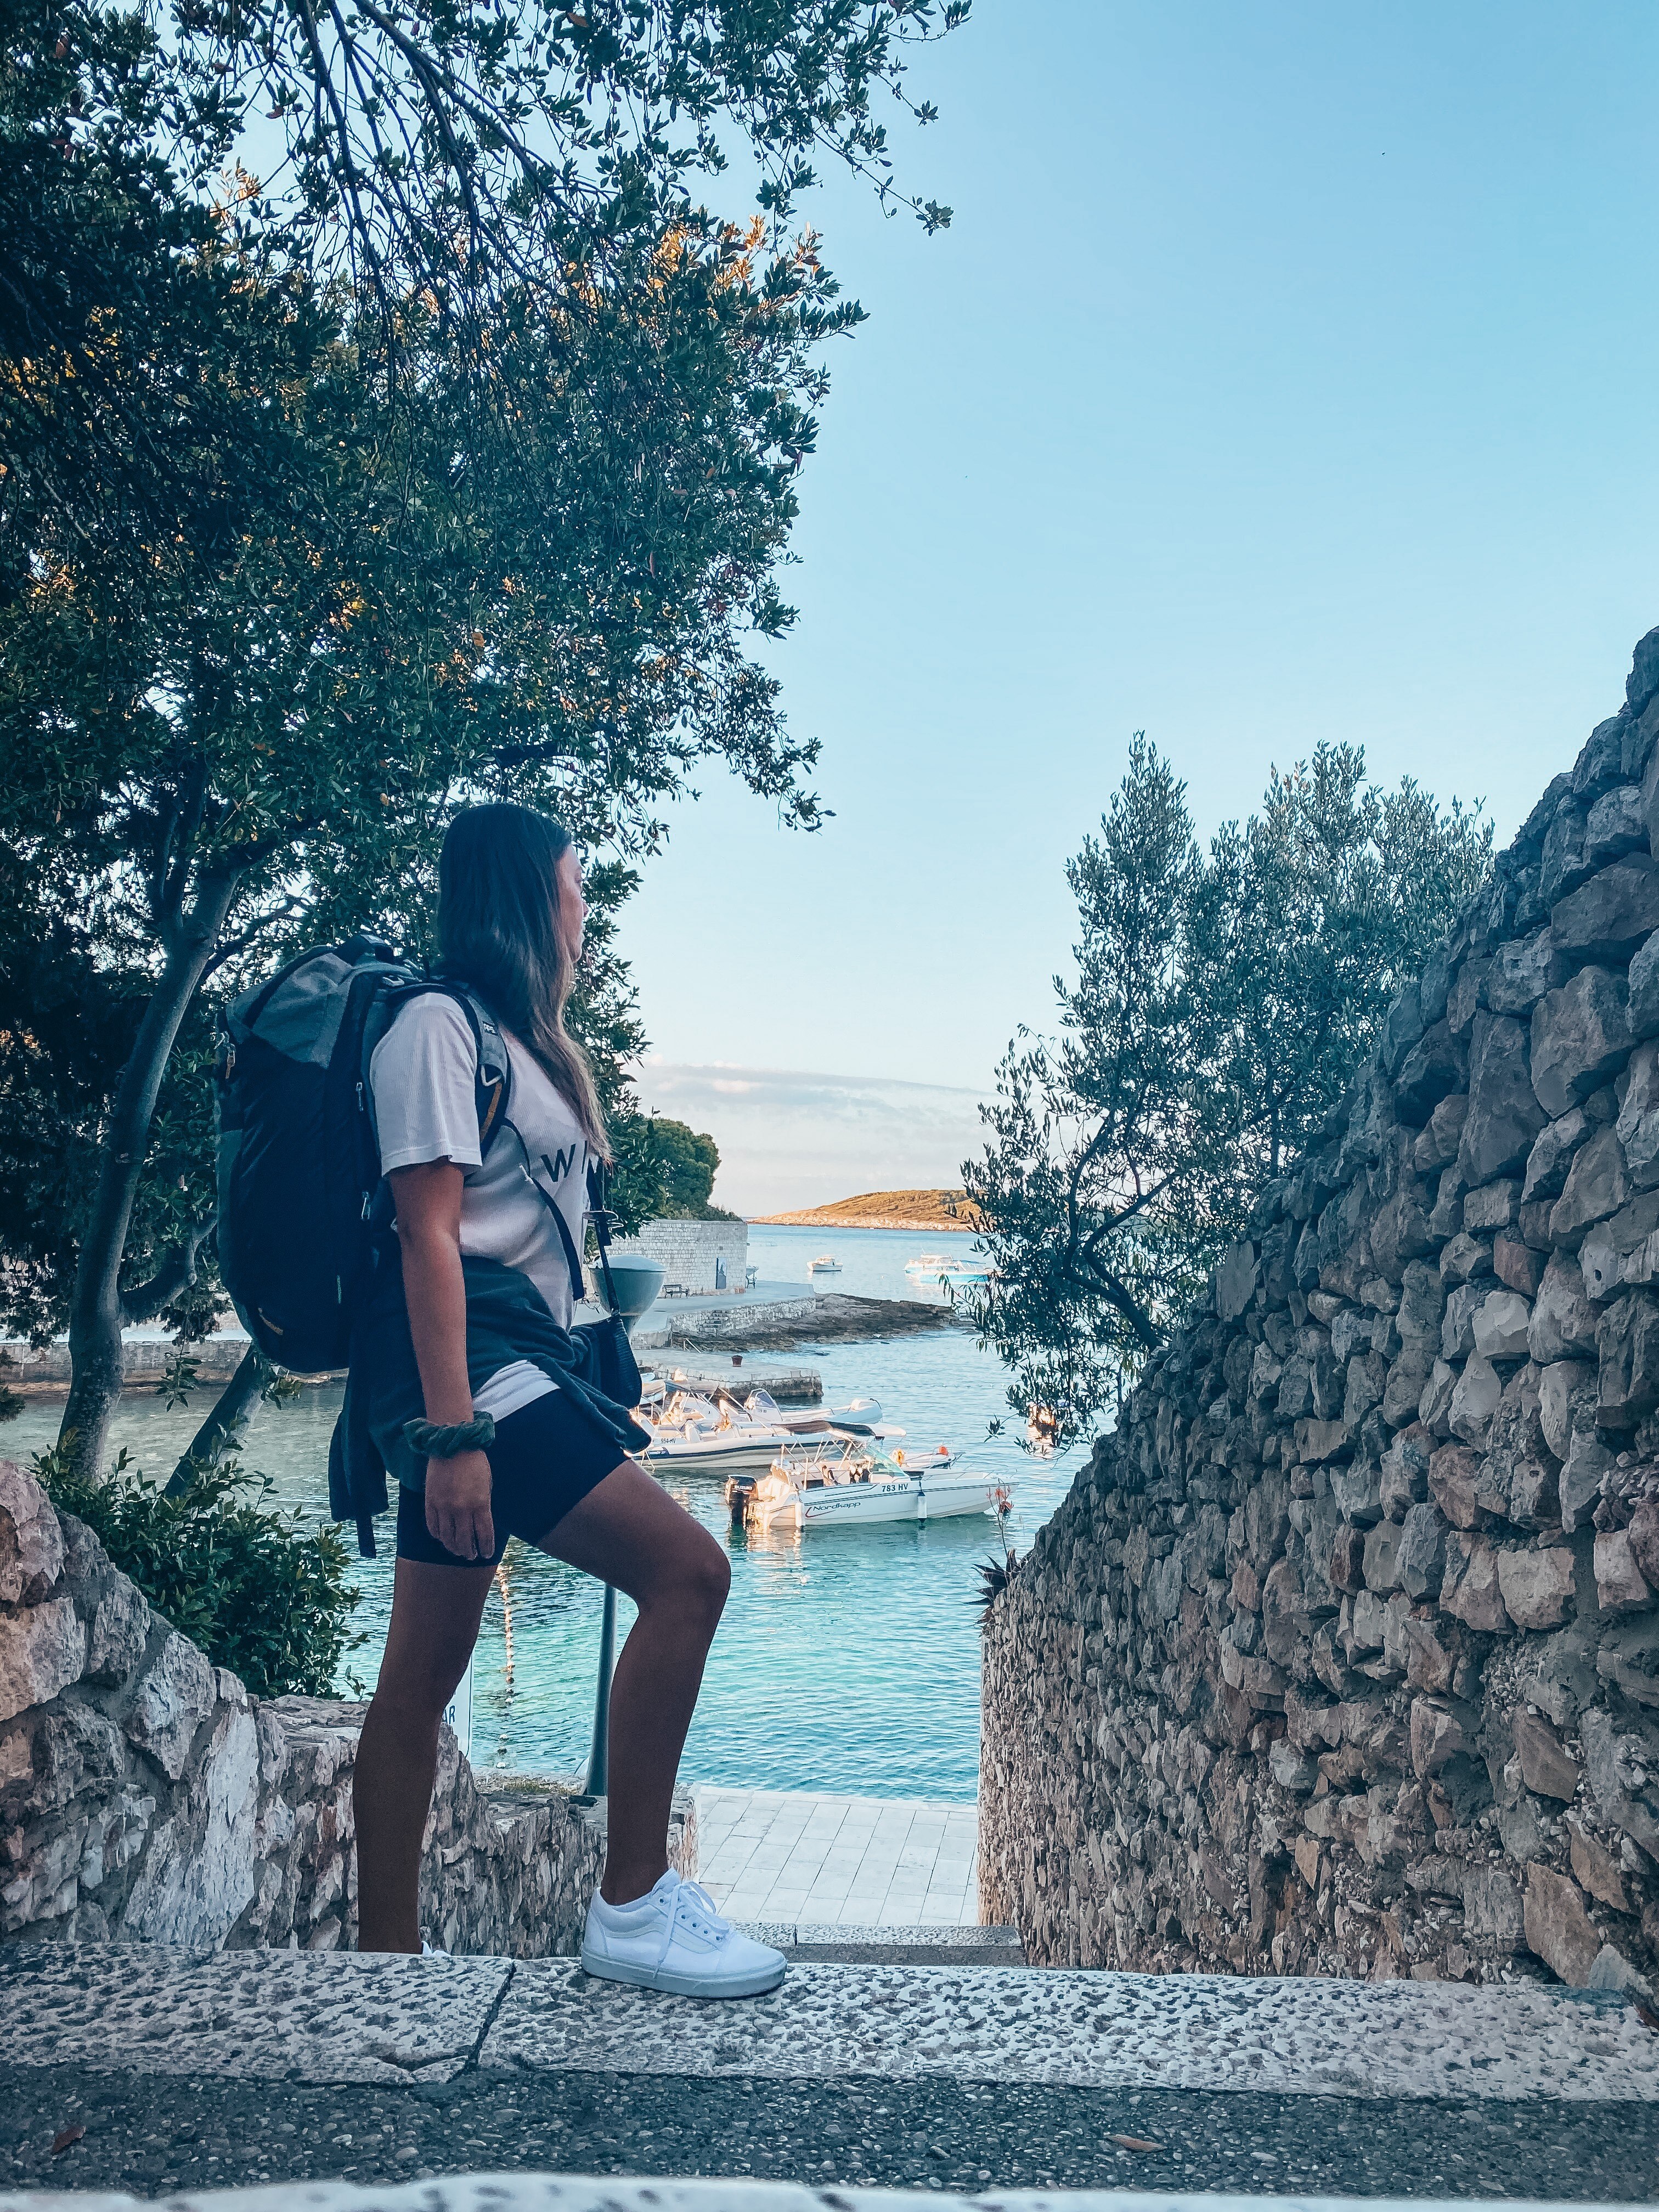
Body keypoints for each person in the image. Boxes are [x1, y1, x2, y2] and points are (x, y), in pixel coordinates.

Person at [347, 802, 785, 1996]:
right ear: (529, 899)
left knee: (419, 1680)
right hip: (473, 1375)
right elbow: (428, 1238)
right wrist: (453, 1437)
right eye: (576, 891)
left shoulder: (524, 1047)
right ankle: (634, 1905)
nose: (587, 917)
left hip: (517, 1362)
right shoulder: (434, 1028)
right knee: (690, 1575)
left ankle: (379, 1967)